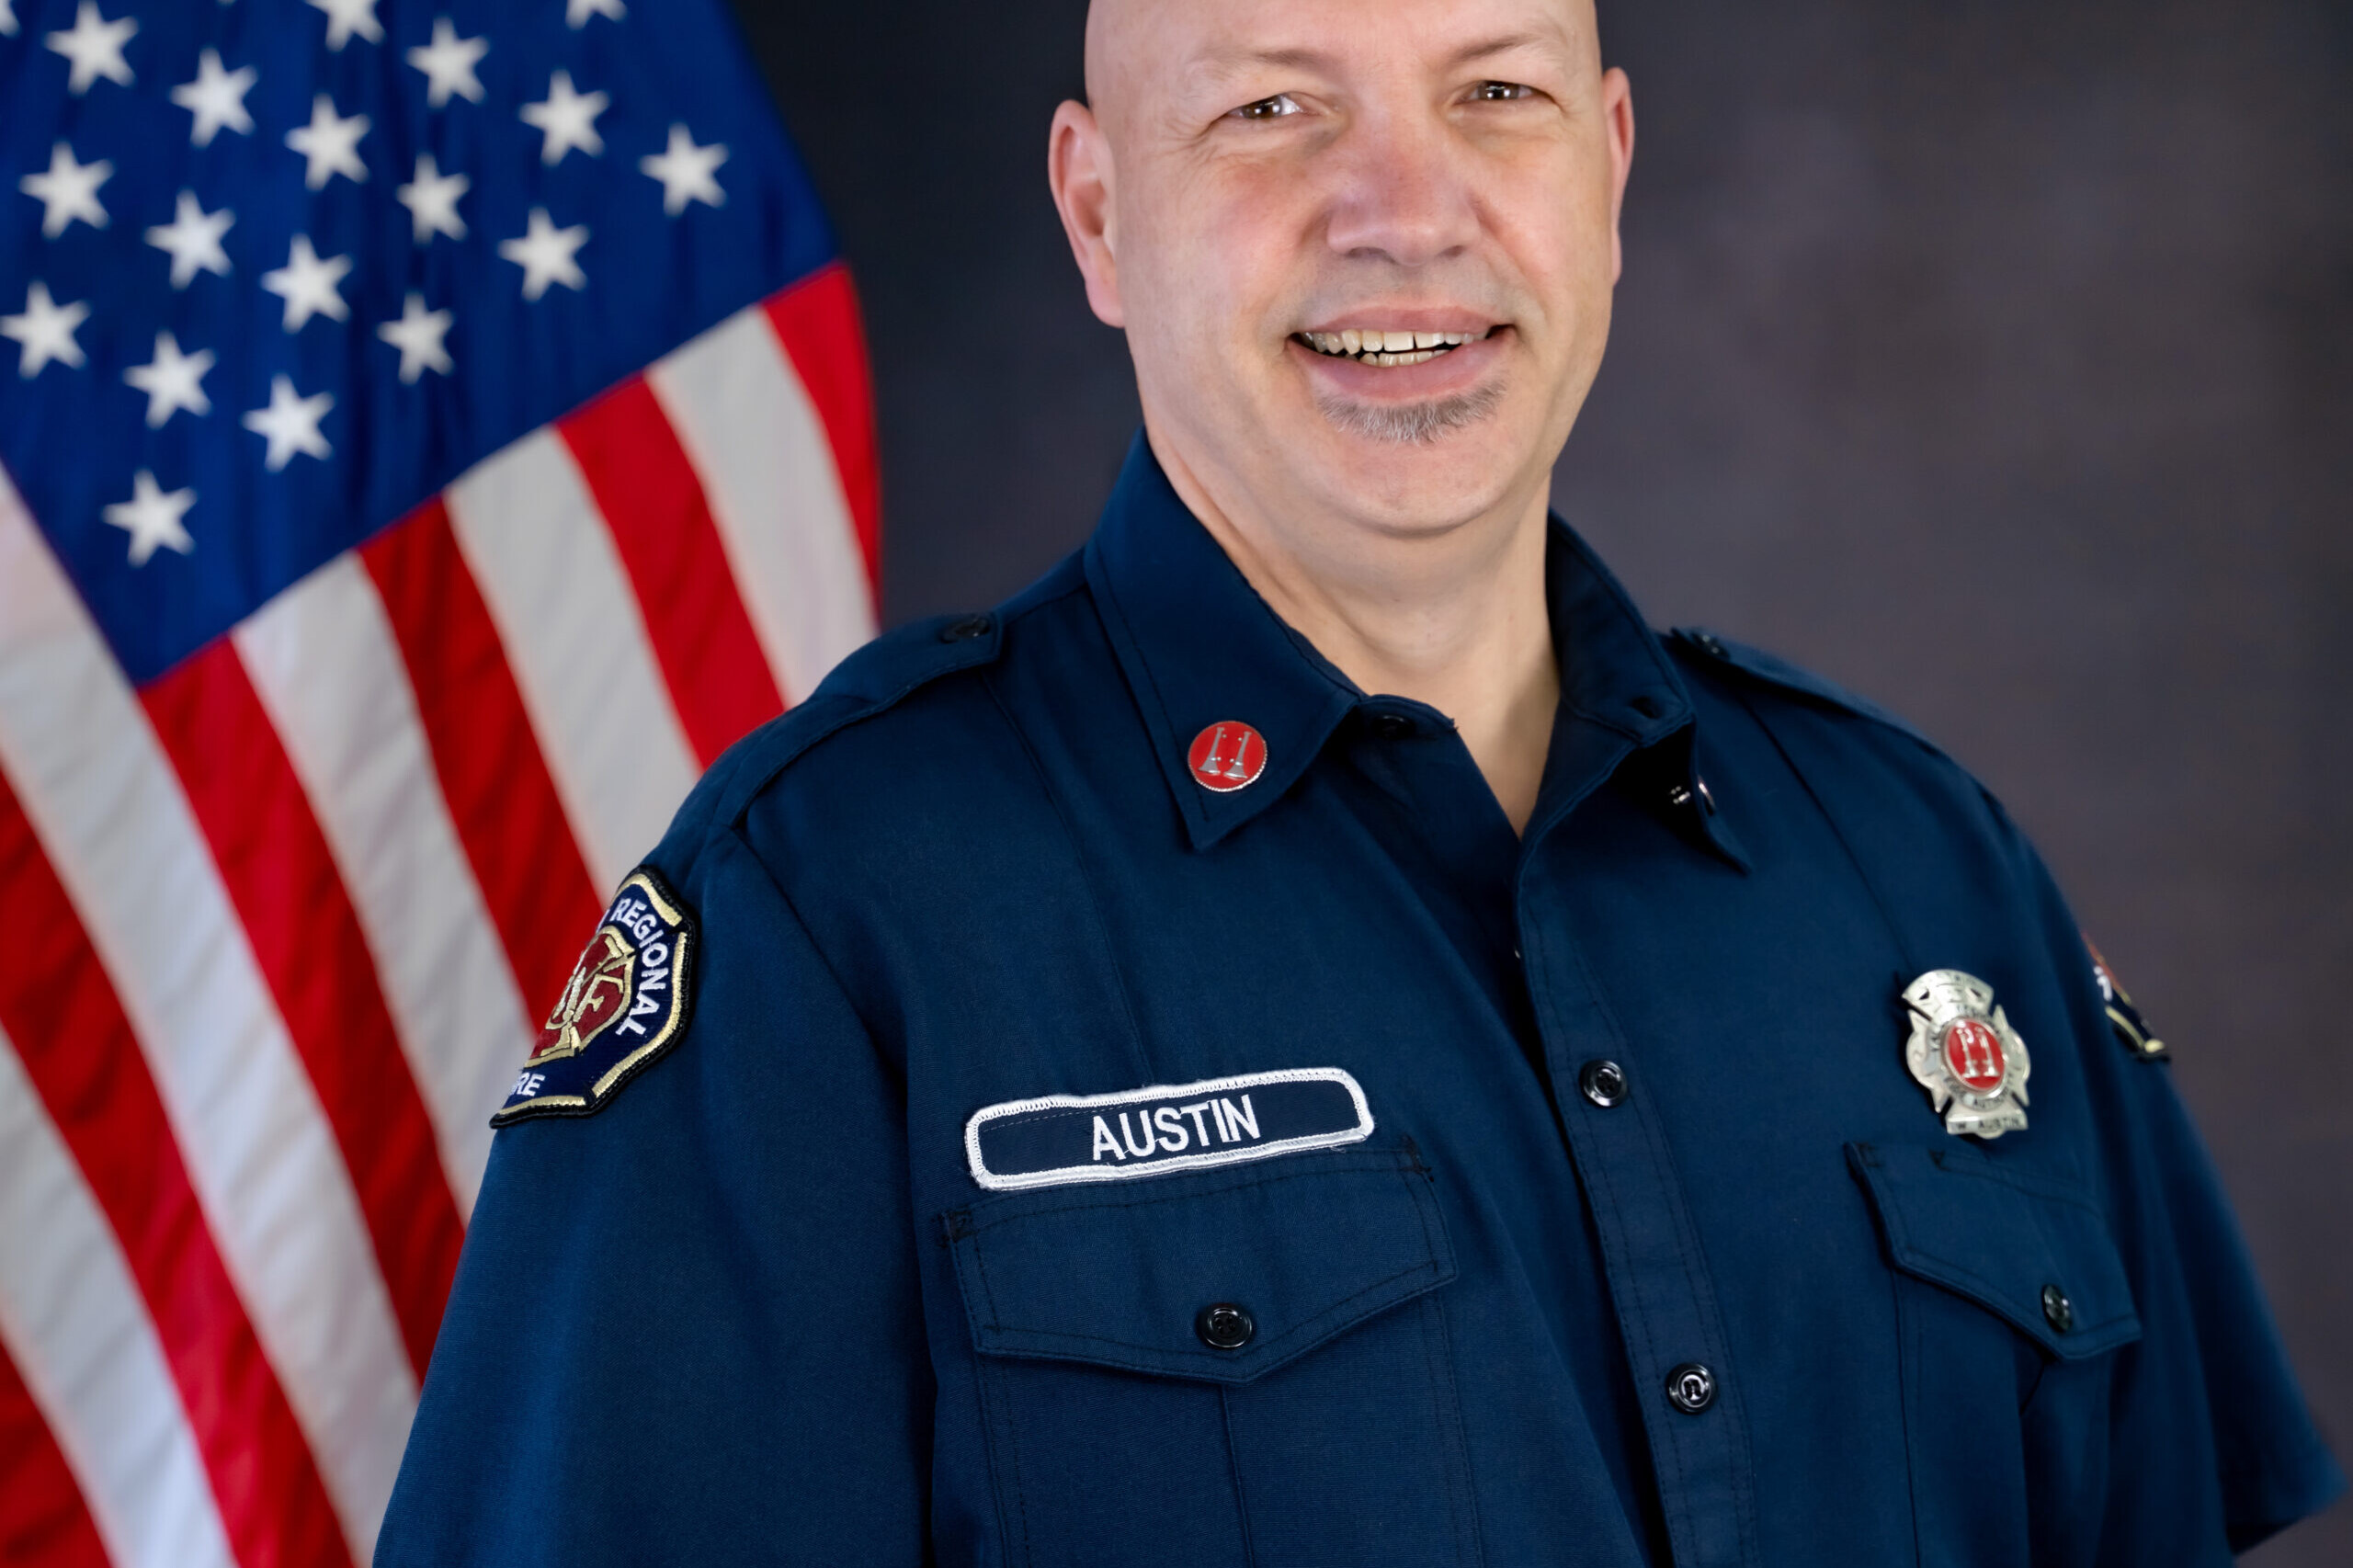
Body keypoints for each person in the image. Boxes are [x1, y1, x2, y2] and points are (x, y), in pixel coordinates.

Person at [375, 0, 2344, 1562]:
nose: (1404, 209)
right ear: (1092, 211)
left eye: (1494, 89)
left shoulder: (1921, 874)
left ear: (1608, 167)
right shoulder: (831, 919)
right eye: (1270, 110)